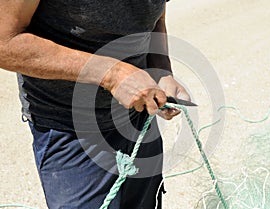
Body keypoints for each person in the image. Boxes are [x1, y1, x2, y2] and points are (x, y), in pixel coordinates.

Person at [0, 1, 190, 208]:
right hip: (68, 127)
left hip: (138, 118)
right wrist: (113, 74)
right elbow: (4, 42)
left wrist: (161, 70)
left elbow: (154, 13)